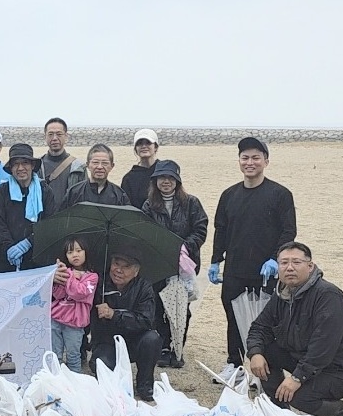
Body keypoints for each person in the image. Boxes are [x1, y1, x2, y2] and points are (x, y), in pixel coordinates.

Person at [247, 242, 343, 416]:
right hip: (306, 359)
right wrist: (255, 353)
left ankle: (339, 412)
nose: (289, 268)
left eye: (296, 262)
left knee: (298, 397)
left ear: (310, 266)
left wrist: (297, 378)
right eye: (284, 263)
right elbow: (259, 327)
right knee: (265, 351)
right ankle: (279, 414)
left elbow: (324, 345)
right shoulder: (283, 293)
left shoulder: (327, 295)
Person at [210, 137, 297, 384]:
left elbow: (288, 231)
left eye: (255, 157)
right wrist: (216, 261)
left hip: (266, 272)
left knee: (265, 320)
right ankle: (234, 365)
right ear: (239, 162)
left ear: (266, 161)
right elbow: (221, 229)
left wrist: (275, 258)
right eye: (245, 158)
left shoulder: (280, 194)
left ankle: (266, 367)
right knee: (233, 317)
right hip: (235, 269)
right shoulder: (229, 195)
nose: (250, 162)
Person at [141, 160, 209, 368]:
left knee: (182, 307)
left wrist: (185, 246)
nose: (166, 182)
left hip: (184, 266)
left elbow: (201, 228)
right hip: (159, 264)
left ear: (177, 180)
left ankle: (177, 347)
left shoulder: (191, 203)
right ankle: (162, 346)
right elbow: (145, 232)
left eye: (170, 178)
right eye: (162, 178)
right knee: (159, 305)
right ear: (155, 181)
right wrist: (163, 247)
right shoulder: (149, 205)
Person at [90, 249, 160, 401]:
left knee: (152, 338)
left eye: (126, 266)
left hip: (134, 341)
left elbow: (146, 320)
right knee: (99, 365)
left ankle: (144, 384)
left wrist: (114, 314)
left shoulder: (144, 287)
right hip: (107, 341)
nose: (118, 270)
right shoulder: (99, 283)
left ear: (136, 271)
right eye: (116, 263)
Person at [0, 144, 56, 272]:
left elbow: (50, 223)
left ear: (32, 165)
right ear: (11, 167)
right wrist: (9, 247)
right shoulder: (2, 191)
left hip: (37, 259)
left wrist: (28, 243)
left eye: (25, 163)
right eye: (16, 164)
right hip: (7, 259)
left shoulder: (45, 191)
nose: (20, 168)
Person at [50, 237, 98, 373]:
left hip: (75, 324)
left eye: (79, 250)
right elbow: (58, 295)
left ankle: (75, 384)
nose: (75, 254)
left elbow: (79, 293)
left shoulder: (92, 277)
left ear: (86, 252)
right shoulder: (64, 273)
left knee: (73, 356)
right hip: (56, 318)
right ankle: (56, 382)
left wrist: (69, 275)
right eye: (70, 252)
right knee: (55, 356)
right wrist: (59, 277)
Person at [61, 144, 131, 210]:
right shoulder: (74, 192)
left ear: (111, 166)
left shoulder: (119, 195)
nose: (100, 167)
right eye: (95, 162)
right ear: (88, 165)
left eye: (105, 163)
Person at [38, 117, 86, 206]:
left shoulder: (78, 167)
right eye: (50, 134)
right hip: (43, 218)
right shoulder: (37, 165)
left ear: (66, 136)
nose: (54, 138)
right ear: (45, 137)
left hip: (68, 217)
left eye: (59, 134)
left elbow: (84, 196)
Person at [121, 129, 161, 209]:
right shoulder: (129, 178)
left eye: (148, 143)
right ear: (136, 149)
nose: (144, 146)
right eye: (139, 143)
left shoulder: (165, 171)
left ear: (155, 147)